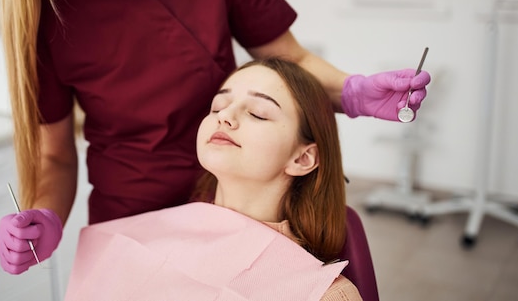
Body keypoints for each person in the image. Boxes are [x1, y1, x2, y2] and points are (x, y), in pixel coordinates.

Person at [0, 0, 430, 275]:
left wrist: (352, 91)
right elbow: (54, 157)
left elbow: (289, 60)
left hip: (238, 204)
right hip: (130, 218)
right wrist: (45, 217)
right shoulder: (44, 12)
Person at [63, 58, 362, 300]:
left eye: (258, 113)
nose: (224, 116)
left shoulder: (325, 294)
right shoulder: (135, 238)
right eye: (218, 106)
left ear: (302, 158)